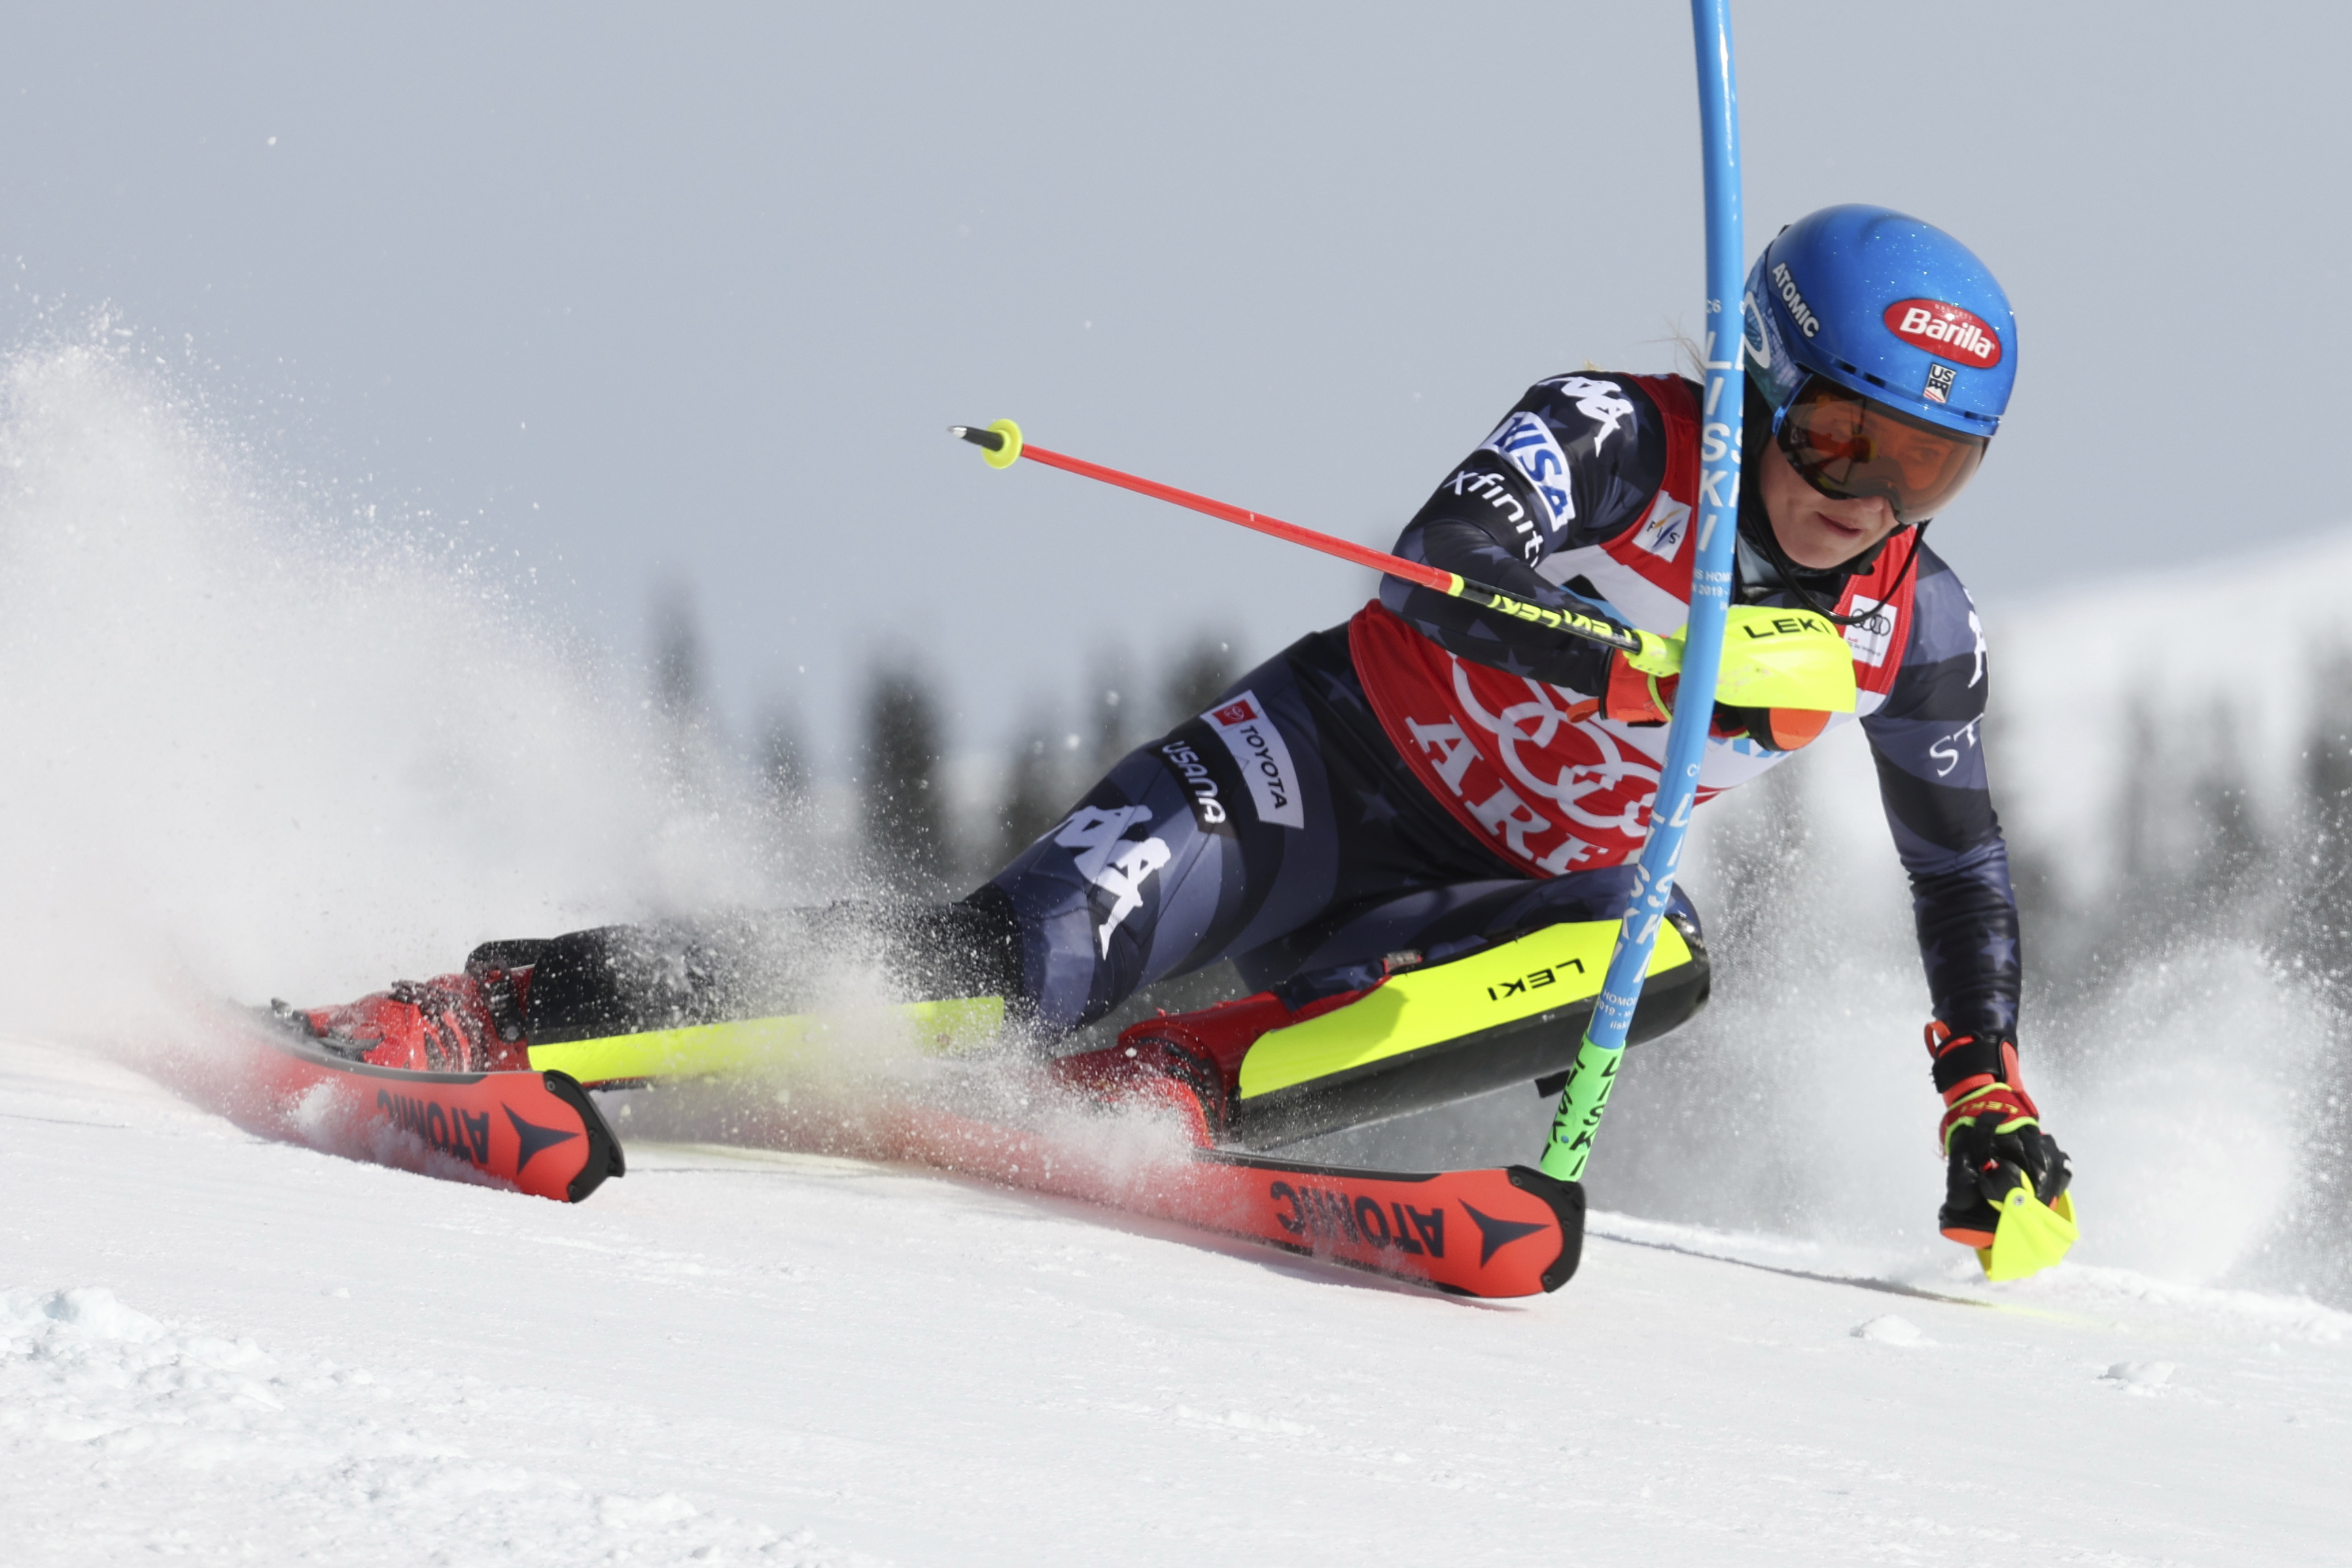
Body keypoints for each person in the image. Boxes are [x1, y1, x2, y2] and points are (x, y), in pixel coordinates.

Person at [300, 204, 2069, 1256]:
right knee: (987, 974)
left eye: (1930, 466)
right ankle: (496, 1004)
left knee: (1653, 953)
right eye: (1844, 435)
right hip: (1312, 779)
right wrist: (1641, 668)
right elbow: (1443, 561)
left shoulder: (1916, 625)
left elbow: (1958, 856)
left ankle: (1159, 1093)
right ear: (1764, 376)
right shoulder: (1622, 432)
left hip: (1486, 899)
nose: (1868, 496)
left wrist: (1981, 1093)